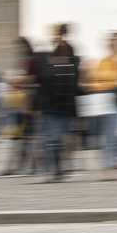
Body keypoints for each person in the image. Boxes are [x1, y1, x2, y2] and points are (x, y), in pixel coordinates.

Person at [82, 32, 117, 180]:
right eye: (113, 41)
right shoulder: (104, 61)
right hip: (105, 98)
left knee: (116, 134)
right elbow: (92, 79)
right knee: (109, 134)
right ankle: (109, 165)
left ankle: (112, 164)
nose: (115, 43)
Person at [35, 25, 80, 182]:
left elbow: (75, 83)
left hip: (61, 106)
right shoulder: (46, 60)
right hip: (53, 107)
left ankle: (57, 169)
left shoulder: (70, 59)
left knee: (57, 139)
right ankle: (55, 170)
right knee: (54, 139)